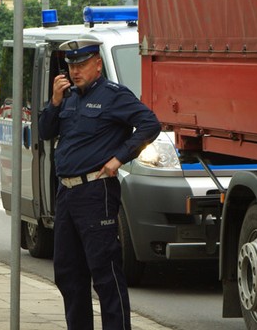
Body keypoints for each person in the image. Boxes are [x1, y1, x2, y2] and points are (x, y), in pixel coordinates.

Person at [38, 39, 161, 330]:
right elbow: (45, 131)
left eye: (81, 65)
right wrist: (54, 102)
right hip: (66, 193)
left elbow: (150, 124)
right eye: (71, 66)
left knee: (105, 273)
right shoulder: (68, 98)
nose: (75, 71)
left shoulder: (113, 95)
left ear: (97, 64)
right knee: (68, 273)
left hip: (96, 191)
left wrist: (119, 158)